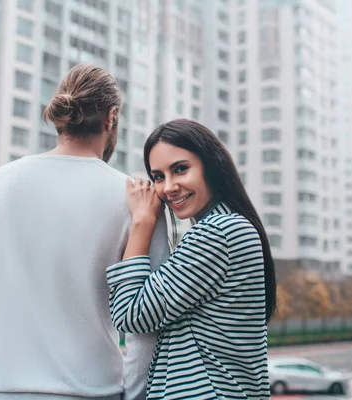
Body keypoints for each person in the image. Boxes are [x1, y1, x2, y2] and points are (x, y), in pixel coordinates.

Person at [0, 64, 170, 400]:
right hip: (95, 392)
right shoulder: (138, 200)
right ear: (111, 118)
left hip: (0, 391)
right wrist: (134, 395)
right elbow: (147, 325)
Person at [106, 119, 276, 399]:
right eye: (158, 177)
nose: (169, 187)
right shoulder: (229, 228)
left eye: (180, 169)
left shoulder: (220, 232)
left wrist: (143, 222)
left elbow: (131, 314)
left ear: (211, 164)